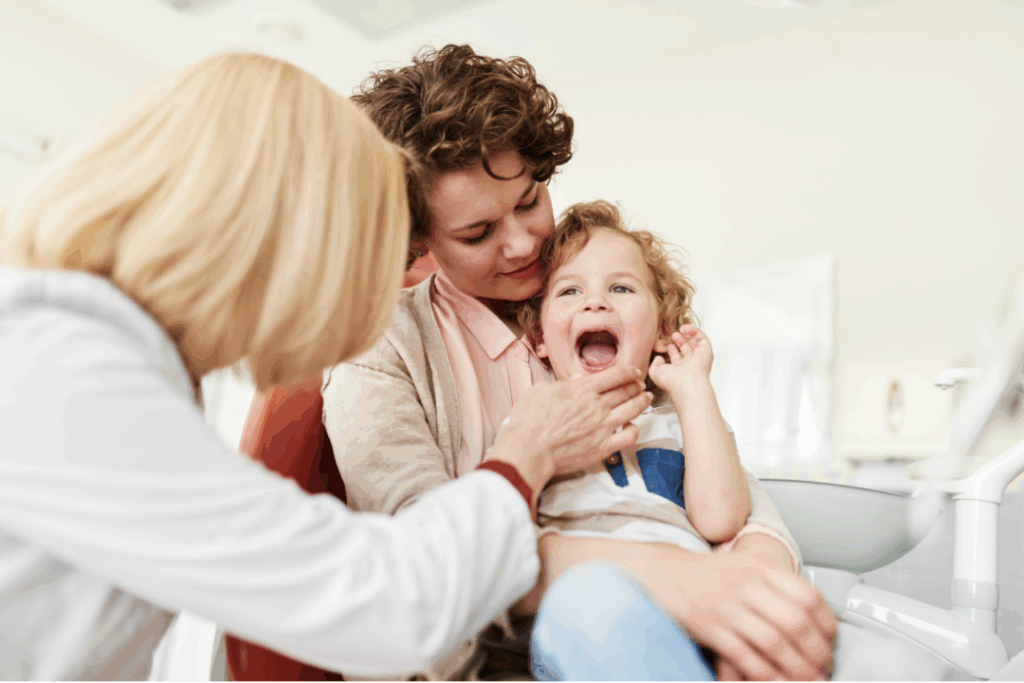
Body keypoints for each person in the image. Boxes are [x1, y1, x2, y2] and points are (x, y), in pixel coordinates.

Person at [0, 52, 649, 680]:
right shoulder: (62, 374)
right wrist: (525, 454)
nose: (347, 292)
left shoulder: (109, 364)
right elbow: (389, 602)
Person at [324, 44, 837, 681]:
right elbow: (426, 559)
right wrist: (670, 576)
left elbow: (699, 474)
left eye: (529, 201)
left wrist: (753, 582)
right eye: (477, 234)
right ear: (418, 238)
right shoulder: (380, 351)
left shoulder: (595, 307)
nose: (522, 245)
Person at [516, 200, 798, 679]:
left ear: (663, 329)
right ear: (540, 337)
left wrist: (692, 388)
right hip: (583, 617)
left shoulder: (685, 422)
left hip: (700, 611)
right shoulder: (529, 424)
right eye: (570, 291)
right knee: (595, 604)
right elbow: (505, 537)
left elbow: (721, 519)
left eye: (620, 288)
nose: (595, 302)